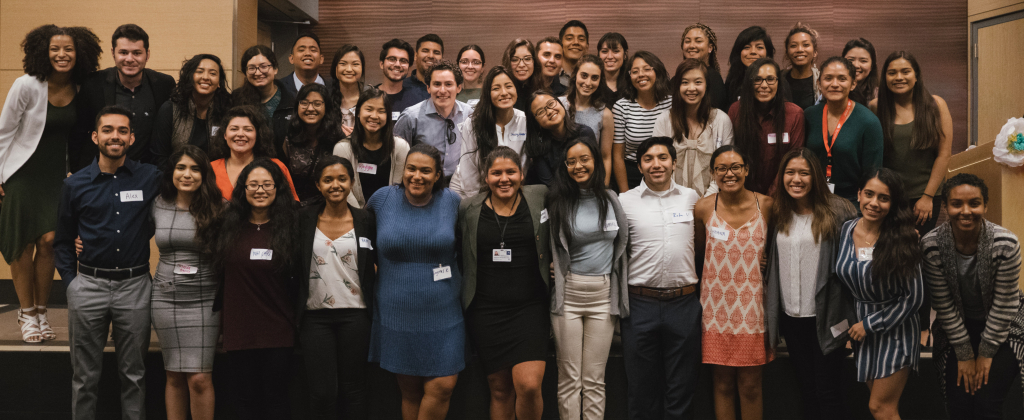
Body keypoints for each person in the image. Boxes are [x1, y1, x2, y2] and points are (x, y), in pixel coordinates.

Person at [54, 105, 162, 420]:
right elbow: (62, 240)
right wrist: (72, 284)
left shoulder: (149, 177)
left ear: (131, 138)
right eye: (108, 130)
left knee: (134, 374)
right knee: (84, 376)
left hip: (135, 286)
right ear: (95, 136)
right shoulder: (74, 185)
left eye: (122, 131)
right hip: (87, 286)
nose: (115, 136)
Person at [0, 24, 100, 344]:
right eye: (55, 49)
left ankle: (42, 309)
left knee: (51, 241)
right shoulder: (26, 85)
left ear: (79, 53)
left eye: (68, 49)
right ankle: (27, 313)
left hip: (58, 178)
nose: (61, 54)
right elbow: (4, 132)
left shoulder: (82, 88)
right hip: (22, 175)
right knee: (24, 242)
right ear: (43, 53)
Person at [365, 144, 464, 420]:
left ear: (436, 175)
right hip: (397, 310)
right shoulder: (382, 199)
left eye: (425, 170)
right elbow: (361, 239)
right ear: (402, 169)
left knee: (443, 385)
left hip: (444, 311)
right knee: (409, 391)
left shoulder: (452, 202)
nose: (416, 176)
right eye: (411, 168)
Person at [764, 148, 858, 420]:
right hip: (792, 317)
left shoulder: (839, 210)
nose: (796, 179)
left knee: (827, 390)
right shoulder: (779, 211)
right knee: (806, 389)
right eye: (790, 173)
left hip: (828, 315)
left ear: (815, 176)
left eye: (804, 173)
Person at [459, 146, 550, 420]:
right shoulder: (468, 208)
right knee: (500, 390)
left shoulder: (540, 197)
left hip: (530, 308)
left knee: (529, 385)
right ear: (486, 178)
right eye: (496, 173)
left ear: (522, 174)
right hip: (486, 310)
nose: (504, 178)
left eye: (511, 171)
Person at [923, 173, 1024, 420]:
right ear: (945, 207)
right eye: (956, 204)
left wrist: (986, 353)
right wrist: (966, 355)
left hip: (1005, 325)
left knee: (987, 402)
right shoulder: (931, 244)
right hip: (956, 327)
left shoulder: (1006, 243)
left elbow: (1004, 304)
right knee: (959, 403)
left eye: (974, 203)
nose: (965, 211)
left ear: (985, 206)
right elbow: (944, 305)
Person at [619, 137, 703, 419]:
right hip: (640, 304)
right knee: (641, 386)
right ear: (640, 166)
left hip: (684, 303)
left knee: (682, 385)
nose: (656, 164)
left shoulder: (692, 198)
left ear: (674, 162)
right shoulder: (624, 202)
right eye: (648, 159)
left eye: (663, 157)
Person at [547, 137, 629, 420]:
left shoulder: (611, 199)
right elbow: (548, 244)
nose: (578, 166)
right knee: (569, 378)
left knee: (595, 379)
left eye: (584, 159)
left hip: (604, 295)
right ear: (565, 166)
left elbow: (623, 243)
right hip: (568, 294)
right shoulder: (558, 201)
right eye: (571, 161)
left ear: (595, 161)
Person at [211, 158, 299, 420]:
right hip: (239, 328)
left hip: (278, 329)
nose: (260, 190)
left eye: (267, 185)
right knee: (244, 401)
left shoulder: (293, 226)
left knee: (276, 400)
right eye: (253, 185)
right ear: (243, 189)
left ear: (278, 188)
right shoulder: (227, 225)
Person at [836, 168, 924, 420]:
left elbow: (914, 298)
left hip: (895, 328)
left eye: (883, 198)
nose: (874, 203)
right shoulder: (846, 230)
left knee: (880, 407)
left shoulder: (904, 237)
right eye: (869, 194)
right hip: (860, 330)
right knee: (880, 406)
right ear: (859, 194)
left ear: (893, 203)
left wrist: (870, 325)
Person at [694, 145, 775, 420]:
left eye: (735, 167)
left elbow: (777, 249)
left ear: (746, 170)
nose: (729, 174)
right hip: (715, 311)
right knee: (722, 384)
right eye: (722, 168)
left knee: (751, 386)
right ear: (713, 173)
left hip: (753, 310)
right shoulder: (704, 207)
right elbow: (697, 253)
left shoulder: (766, 205)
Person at [295, 155, 377, 420]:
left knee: (354, 389)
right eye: (328, 180)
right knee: (322, 392)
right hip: (314, 316)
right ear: (318, 185)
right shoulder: (303, 219)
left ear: (352, 182)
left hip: (356, 314)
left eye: (342, 179)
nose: (335, 185)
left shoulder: (366, 220)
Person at [151, 146, 222, 420]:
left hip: (205, 301)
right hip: (164, 298)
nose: (187, 174)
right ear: (172, 172)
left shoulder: (220, 208)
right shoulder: (158, 204)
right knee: (174, 375)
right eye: (181, 167)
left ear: (204, 175)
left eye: (194, 169)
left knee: (200, 378)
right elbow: (128, 234)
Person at [72, 24, 175, 169]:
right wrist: (78, 172)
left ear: (147, 55)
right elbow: (79, 132)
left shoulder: (164, 84)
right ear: (113, 53)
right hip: (102, 173)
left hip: (147, 175)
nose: (130, 59)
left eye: (137, 53)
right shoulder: (93, 84)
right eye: (123, 52)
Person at [872, 51, 953, 234]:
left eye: (905, 71)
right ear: (885, 77)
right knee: (888, 250)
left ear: (916, 76)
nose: (899, 77)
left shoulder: (936, 105)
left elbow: (944, 155)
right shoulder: (876, 107)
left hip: (924, 197)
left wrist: (927, 196)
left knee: (917, 249)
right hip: (887, 196)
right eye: (892, 73)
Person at [805, 57, 884, 205]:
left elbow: (873, 173)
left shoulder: (868, 121)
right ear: (819, 83)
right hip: (812, 198)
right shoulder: (809, 115)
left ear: (853, 83)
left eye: (842, 79)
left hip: (852, 201)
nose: (834, 84)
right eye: (828, 78)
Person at [654, 59, 735, 196]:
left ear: (706, 86)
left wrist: (706, 201)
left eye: (698, 82)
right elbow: (658, 164)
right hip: (671, 198)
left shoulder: (721, 120)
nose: (691, 88)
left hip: (715, 198)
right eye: (685, 82)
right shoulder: (664, 120)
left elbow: (725, 166)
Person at [728, 57, 805, 195]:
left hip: (781, 196)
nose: (764, 85)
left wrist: (771, 196)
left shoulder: (794, 114)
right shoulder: (736, 111)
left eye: (770, 79)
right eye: (757, 80)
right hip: (742, 194)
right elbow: (730, 156)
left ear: (778, 83)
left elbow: (793, 161)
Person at [451, 66, 527, 198]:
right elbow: (468, 170)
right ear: (487, 93)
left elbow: (523, 165)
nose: (504, 93)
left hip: (506, 188)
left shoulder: (524, 121)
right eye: (496, 88)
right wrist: (478, 203)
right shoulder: (474, 122)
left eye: (509, 86)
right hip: (468, 189)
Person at [394, 60, 471, 187]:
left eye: (448, 84)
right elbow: (398, 159)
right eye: (436, 84)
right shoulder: (411, 117)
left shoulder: (470, 114)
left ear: (458, 88)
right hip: (422, 185)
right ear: (428, 88)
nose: (442, 90)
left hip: (460, 186)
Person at [151, 54, 232, 168]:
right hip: (178, 180)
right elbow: (159, 156)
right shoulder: (170, 109)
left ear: (219, 82)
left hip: (216, 181)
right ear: (190, 77)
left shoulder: (228, 112)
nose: (206, 77)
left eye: (213, 73)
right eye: (199, 71)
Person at [334, 87, 410, 208]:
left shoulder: (400, 147)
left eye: (381, 111)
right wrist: (361, 216)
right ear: (358, 113)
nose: (374, 116)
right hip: (354, 213)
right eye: (369, 109)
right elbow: (343, 188)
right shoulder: (342, 148)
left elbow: (398, 188)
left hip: (390, 210)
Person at [612, 51, 673, 191]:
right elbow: (618, 157)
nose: (641, 75)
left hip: (666, 172)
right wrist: (625, 194)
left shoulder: (671, 104)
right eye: (635, 71)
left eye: (647, 69)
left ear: (657, 72)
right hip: (633, 173)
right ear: (629, 76)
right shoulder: (621, 107)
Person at [209, 105, 298, 201]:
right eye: (234, 129)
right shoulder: (211, 169)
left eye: (248, 129)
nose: (240, 134)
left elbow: (291, 207)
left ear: (257, 135)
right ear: (225, 135)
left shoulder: (276, 167)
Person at [284, 83, 344, 205]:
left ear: (326, 107)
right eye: (304, 103)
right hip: (296, 208)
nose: (310, 109)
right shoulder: (289, 140)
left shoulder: (337, 139)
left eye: (317, 104)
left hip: (330, 206)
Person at [232, 45, 295, 158]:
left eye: (263, 66)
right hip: (245, 163)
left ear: (275, 69)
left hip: (282, 165)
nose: (258, 72)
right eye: (251, 68)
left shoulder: (291, 100)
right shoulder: (235, 99)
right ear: (245, 72)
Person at [524, 89, 597, 186]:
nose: (549, 111)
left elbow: (595, 170)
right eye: (541, 111)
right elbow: (550, 184)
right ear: (536, 122)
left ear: (559, 103)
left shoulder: (584, 133)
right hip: (559, 196)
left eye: (551, 104)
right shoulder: (538, 147)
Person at [681, 23, 729, 111]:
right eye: (687, 41)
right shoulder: (677, 78)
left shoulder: (714, 79)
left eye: (698, 41)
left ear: (710, 47)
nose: (691, 46)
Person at [724, 26, 775, 105]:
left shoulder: (776, 80)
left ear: (767, 53)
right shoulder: (732, 80)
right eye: (746, 47)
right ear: (739, 52)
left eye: (759, 47)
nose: (753, 52)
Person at [781, 23, 821, 110]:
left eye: (806, 45)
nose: (799, 50)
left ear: (815, 52)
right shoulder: (778, 79)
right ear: (787, 53)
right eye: (793, 46)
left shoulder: (823, 80)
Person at [330, 44, 365, 136]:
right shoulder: (325, 98)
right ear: (335, 68)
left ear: (362, 68)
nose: (349, 69)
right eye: (343, 64)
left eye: (355, 64)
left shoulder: (370, 97)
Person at [376, 39, 419, 114]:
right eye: (392, 59)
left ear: (409, 68)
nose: (397, 65)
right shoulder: (368, 96)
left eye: (403, 61)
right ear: (381, 64)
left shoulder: (416, 101)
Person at [280, 32, 326, 99]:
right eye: (301, 50)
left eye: (313, 50)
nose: (307, 53)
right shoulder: (279, 88)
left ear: (321, 59)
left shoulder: (333, 88)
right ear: (291, 58)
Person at [502, 38, 541, 112]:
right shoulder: (502, 93)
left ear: (534, 62)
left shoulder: (543, 91)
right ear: (508, 62)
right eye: (515, 60)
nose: (521, 65)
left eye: (527, 59)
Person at [405, 34, 444, 102]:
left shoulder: (448, 89)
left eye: (436, 52)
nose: (431, 56)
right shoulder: (402, 87)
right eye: (425, 51)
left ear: (442, 58)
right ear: (415, 55)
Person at [843, 38, 879, 106]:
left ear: (872, 66)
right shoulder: (833, 89)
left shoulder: (879, 96)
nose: (856, 65)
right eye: (851, 60)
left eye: (863, 61)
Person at [559, 20, 590, 86]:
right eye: (569, 38)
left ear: (587, 47)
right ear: (560, 45)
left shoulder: (593, 78)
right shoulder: (550, 75)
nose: (576, 42)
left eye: (581, 39)